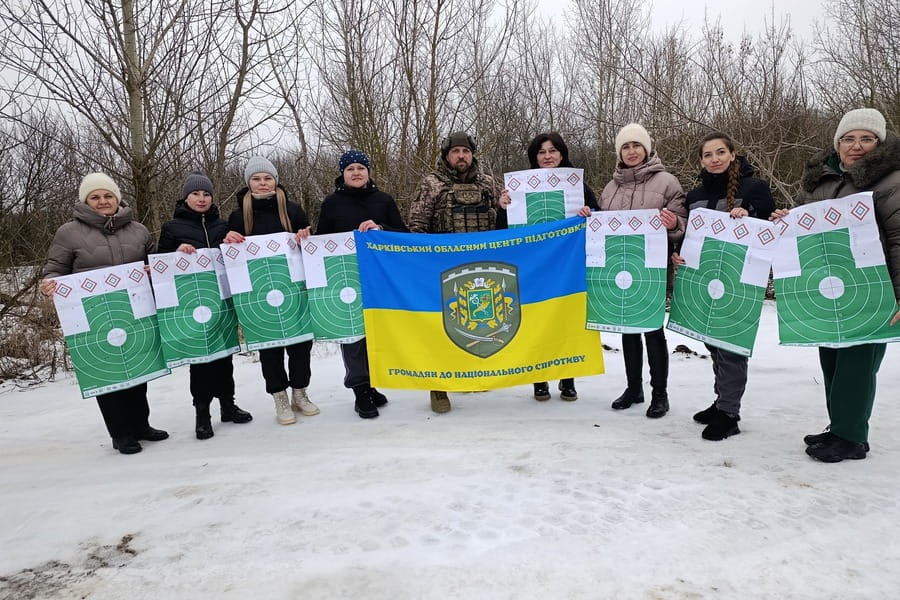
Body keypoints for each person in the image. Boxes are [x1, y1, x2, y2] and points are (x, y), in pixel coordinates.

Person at [780, 108, 900, 462]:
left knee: (858, 363)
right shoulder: (821, 180)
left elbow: (898, 238)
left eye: (866, 138)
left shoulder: (891, 181)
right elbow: (804, 226)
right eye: (848, 138)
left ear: (879, 143)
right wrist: (784, 221)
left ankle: (851, 438)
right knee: (831, 356)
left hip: (872, 288)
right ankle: (840, 426)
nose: (856, 145)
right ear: (837, 143)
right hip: (829, 287)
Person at [41, 173, 169, 455]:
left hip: (134, 309)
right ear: (86, 201)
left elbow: (153, 262)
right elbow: (54, 269)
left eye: (107, 196)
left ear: (117, 198)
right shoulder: (68, 232)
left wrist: (154, 270)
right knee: (109, 374)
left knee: (138, 368)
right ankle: (121, 434)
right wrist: (49, 284)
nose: (102, 201)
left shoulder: (138, 230)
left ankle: (141, 425)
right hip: (94, 313)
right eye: (95, 197)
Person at [672, 132, 775, 440]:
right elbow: (690, 238)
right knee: (712, 343)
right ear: (701, 160)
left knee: (731, 346)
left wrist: (750, 216)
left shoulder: (755, 189)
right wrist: (678, 256)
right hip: (704, 279)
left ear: (732, 154)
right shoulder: (694, 196)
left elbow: (773, 228)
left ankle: (730, 413)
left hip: (739, 280)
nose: (714, 159)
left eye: (720, 152)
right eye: (707, 155)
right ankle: (721, 403)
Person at [408, 131, 505, 413]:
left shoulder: (487, 183)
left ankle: (472, 374)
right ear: (446, 155)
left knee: (477, 324)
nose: (461, 156)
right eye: (455, 152)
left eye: (465, 151)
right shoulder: (432, 184)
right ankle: (438, 387)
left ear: (472, 154)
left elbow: (502, 221)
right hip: (443, 268)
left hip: (481, 268)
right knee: (441, 327)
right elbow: (417, 226)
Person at [307, 149, 407, 419]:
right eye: (350, 168)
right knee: (352, 335)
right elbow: (321, 241)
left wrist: (381, 228)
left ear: (369, 172)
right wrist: (305, 238)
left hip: (379, 277)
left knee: (376, 332)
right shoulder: (332, 203)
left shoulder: (383, 200)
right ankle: (360, 389)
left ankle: (373, 383)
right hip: (345, 280)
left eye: (361, 168)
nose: (356, 172)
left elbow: (404, 234)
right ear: (342, 174)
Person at [223, 157, 320, 425]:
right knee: (271, 349)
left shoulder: (292, 210)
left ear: (275, 180)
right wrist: (229, 239)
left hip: (293, 290)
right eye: (256, 179)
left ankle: (300, 393)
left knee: (301, 344)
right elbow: (230, 255)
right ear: (248, 182)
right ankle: (279, 397)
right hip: (259, 294)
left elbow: (309, 244)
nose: (263, 183)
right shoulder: (238, 215)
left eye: (267, 178)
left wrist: (305, 236)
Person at [599, 123, 686, 418]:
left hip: (650, 270)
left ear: (647, 148)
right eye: (626, 146)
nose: (632, 151)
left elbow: (683, 224)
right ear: (619, 152)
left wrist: (674, 224)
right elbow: (601, 230)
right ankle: (633, 388)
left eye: (637, 145)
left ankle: (659, 393)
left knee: (652, 329)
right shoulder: (610, 188)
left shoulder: (667, 182)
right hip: (619, 269)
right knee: (627, 328)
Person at [158, 171, 253, 440]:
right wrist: (175, 254)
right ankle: (202, 414)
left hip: (221, 301)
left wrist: (234, 241)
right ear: (185, 197)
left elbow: (236, 258)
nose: (201, 199)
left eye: (206, 194)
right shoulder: (172, 228)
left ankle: (228, 406)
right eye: (196, 194)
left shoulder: (221, 226)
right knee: (201, 362)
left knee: (225, 357)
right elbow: (158, 263)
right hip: (192, 305)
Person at [504, 132, 596, 402]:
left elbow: (598, 216)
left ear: (562, 154)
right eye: (541, 152)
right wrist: (503, 206)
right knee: (535, 320)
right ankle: (539, 378)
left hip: (568, 267)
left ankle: (568, 379)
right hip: (533, 267)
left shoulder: (578, 185)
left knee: (566, 320)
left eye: (553, 150)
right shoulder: (518, 188)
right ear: (534, 157)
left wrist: (588, 214)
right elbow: (504, 229)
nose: (547, 156)